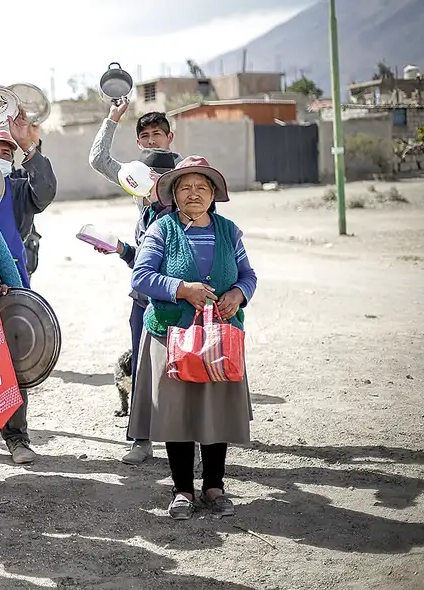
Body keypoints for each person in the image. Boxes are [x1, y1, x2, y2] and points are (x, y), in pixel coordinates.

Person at [128, 156, 257, 520]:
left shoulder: (229, 231)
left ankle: (214, 487)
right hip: (172, 338)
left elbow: (247, 274)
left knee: (215, 409)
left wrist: (238, 294)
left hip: (220, 339)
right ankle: (182, 488)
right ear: (173, 194)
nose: (193, 194)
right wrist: (182, 289)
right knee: (178, 413)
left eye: (201, 187)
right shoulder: (161, 230)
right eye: (185, 187)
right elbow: (141, 277)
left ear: (213, 193)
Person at [88, 101, 185, 466]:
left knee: (183, 367)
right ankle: (141, 439)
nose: (150, 142)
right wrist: (113, 118)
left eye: (156, 135)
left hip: (181, 294)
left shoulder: (187, 175)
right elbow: (99, 160)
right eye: (143, 136)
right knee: (142, 367)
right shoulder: (136, 176)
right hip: (144, 294)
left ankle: (190, 439)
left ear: (170, 137)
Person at [0, 109, 58, 464]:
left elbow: (45, 191)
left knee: (12, 358)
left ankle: (16, 437)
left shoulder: (19, 188)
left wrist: (28, 147)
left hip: (13, 284)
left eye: (6, 152)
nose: (0, 157)